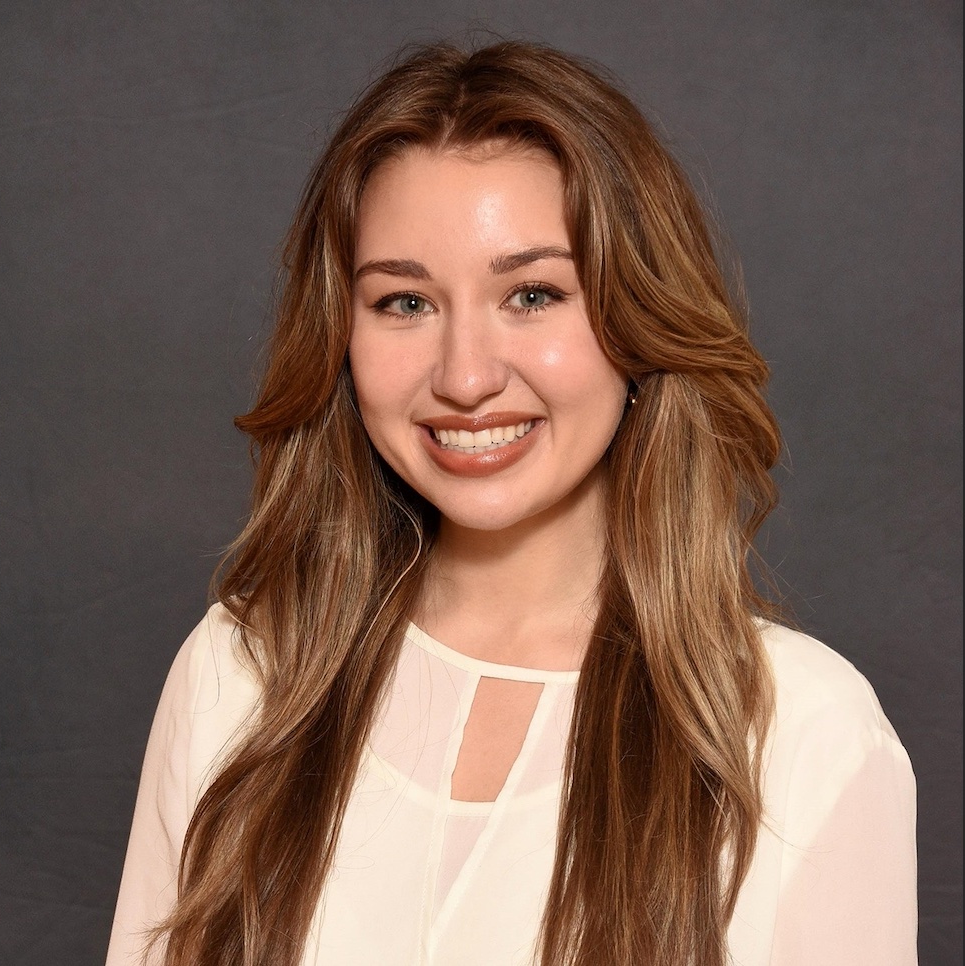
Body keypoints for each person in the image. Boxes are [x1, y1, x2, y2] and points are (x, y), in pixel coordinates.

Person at [105, 40, 917, 966]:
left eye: (531, 293)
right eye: (404, 303)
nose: (466, 376)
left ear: (635, 318)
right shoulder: (238, 676)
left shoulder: (804, 739)